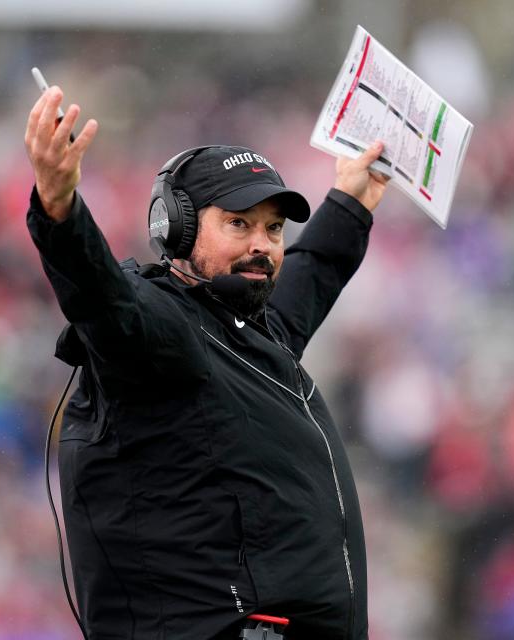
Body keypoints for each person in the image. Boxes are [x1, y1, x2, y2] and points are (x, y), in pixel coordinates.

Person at [24, 86, 388, 640]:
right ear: (177, 228)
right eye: (239, 224)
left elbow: (313, 274)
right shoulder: (162, 331)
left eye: (273, 229)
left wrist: (352, 201)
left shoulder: (249, 333)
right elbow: (104, 298)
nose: (263, 245)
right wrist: (60, 209)